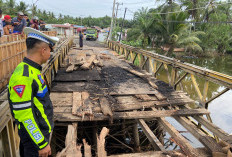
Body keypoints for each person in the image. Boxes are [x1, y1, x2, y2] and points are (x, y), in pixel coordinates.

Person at [8, 27, 59, 157]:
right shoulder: (23, 77)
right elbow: (24, 116)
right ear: (43, 50)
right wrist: (41, 143)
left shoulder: (33, 70)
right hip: (35, 141)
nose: (50, 53)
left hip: (40, 135)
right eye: (50, 50)